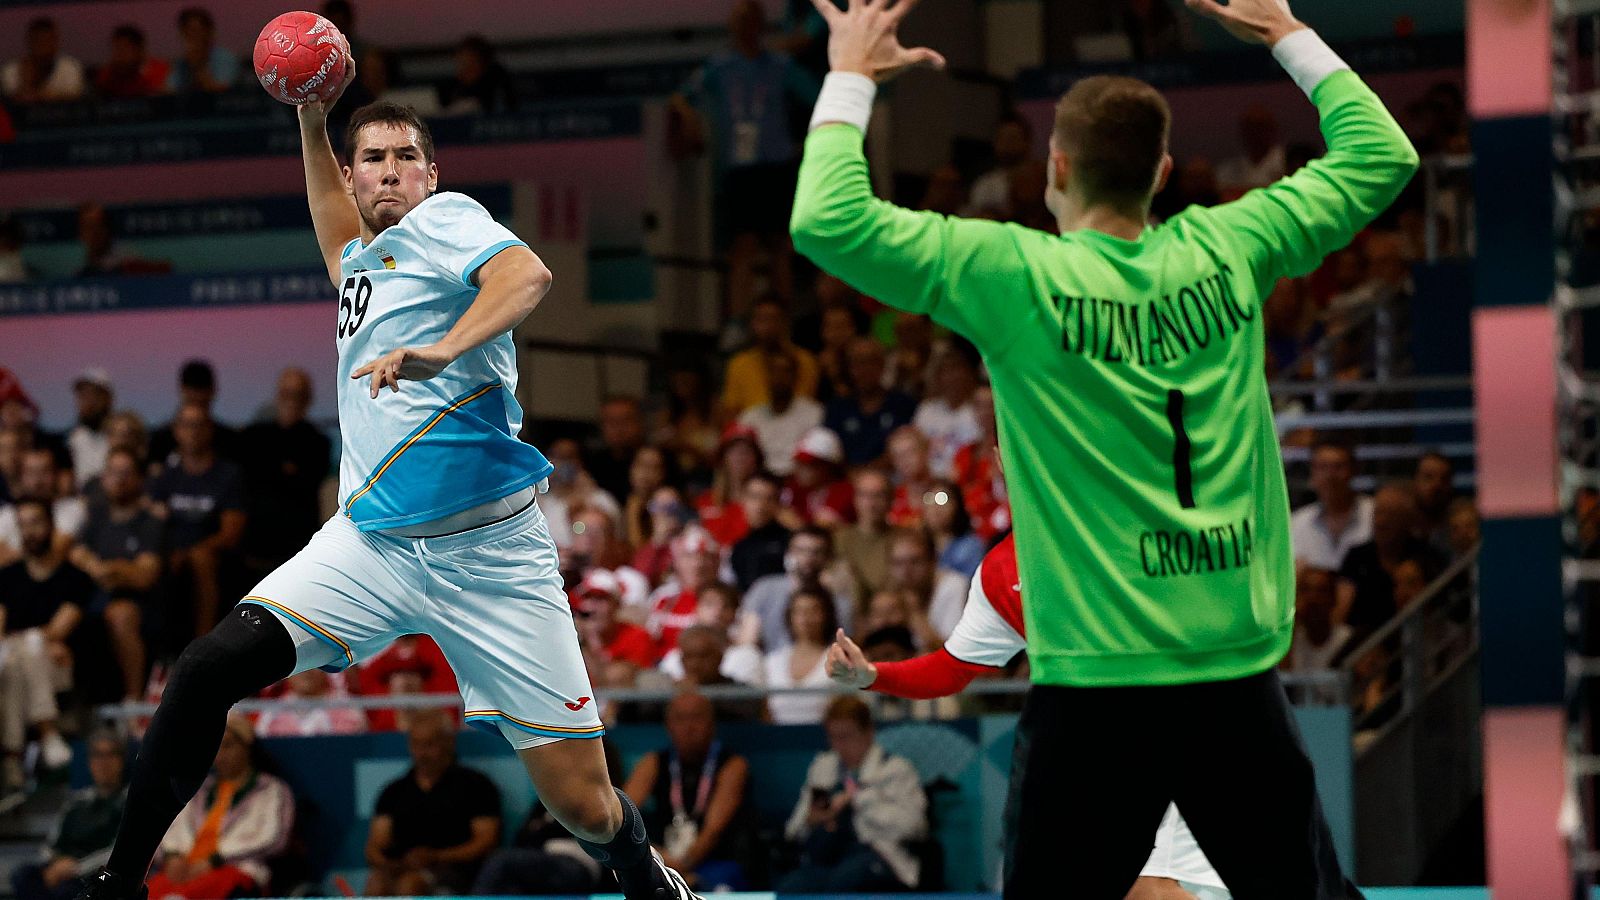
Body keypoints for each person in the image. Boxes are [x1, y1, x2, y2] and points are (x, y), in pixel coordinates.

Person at [791, 0, 1414, 893]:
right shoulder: (1232, 245)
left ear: (1056, 166)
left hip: (1096, 689)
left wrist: (851, 71)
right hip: (1233, 674)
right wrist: (1288, 34)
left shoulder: (1015, 274)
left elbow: (826, 218)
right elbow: (1383, 156)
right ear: (1161, 172)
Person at [75, 81, 699, 900]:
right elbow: (330, 217)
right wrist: (310, 117)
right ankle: (120, 883)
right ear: (353, 175)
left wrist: (444, 350)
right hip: (370, 545)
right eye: (374, 159)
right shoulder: (357, 267)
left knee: (584, 807)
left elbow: (529, 275)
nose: (393, 170)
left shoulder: (446, 222)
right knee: (203, 669)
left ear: (432, 176)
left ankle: (643, 872)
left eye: (409, 157)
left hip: (492, 557)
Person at [827, 533, 1227, 898]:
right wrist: (872, 675)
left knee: (1152, 888)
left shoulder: (1123, 521)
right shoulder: (1006, 569)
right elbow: (952, 667)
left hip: (1172, 723)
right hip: (1083, 749)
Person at [672, 1, 819, 322]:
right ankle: (740, 321)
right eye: (739, 20)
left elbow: (817, 97)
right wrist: (691, 122)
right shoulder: (720, 67)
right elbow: (681, 97)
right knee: (742, 246)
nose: (744, 26)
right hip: (739, 168)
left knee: (780, 245)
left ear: (761, 25)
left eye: (751, 20)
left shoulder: (780, 65)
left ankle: (784, 318)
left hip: (776, 165)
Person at [777, 696, 926, 892]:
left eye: (846, 736)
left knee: (846, 880)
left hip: (880, 856)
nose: (839, 746)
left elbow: (914, 827)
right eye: (833, 737)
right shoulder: (823, 767)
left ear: (869, 732)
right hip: (828, 859)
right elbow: (793, 829)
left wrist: (858, 800)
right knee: (792, 887)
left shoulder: (895, 769)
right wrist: (811, 821)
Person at [144, 714, 293, 900]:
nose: (220, 755)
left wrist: (215, 860)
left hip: (236, 868)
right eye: (216, 747)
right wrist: (172, 855)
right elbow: (172, 826)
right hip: (186, 868)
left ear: (247, 747)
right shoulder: (200, 789)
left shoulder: (271, 789)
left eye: (228, 746)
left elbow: (272, 839)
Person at [624, 692, 755, 891]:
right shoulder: (653, 763)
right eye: (680, 719)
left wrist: (681, 867)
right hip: (662, 859)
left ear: (712, 724)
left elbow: (713, 832)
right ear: (668, 726)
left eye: (696, 717)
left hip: (716, 862)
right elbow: (622, 819)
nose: (689, 727)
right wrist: (657, 858)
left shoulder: (732, 765)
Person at [0, 499, 88, 789]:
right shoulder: (6, 577)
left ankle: (13, 756)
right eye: (22, 525)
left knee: (32, 647)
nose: (30, 532)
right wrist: (29, 640)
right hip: (17, 665)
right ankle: (45, 733)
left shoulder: (74, 578)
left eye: (35, 522)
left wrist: (29, 639)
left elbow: (59, 629)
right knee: (20, 658)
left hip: (59, 668)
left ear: (51, 525)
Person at [364, 714, 500, 895]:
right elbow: (375, 846)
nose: (422, 753)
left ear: (448, 743)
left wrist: (436, 857)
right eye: (416, 745)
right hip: (402, 867)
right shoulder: (394, 791)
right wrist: (392, 864)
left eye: (429, 744)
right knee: (377, 883)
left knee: (410, 884)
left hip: (457, 872)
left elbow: (486, 841)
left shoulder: (476, 786)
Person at [472, 740, 627, 896]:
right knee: (511, 885)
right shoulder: (547, 801)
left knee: (501, 862)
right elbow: (524, 836)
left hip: (578, 862)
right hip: (541, 858)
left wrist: (544, 829)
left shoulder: (599, 800)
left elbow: (594, 829)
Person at [69, 448, 163, 702]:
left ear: (140, 479)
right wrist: (109, 568)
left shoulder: (150, 523)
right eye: (113, 472)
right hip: (94, 601)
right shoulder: (96, 520)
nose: (119, 480)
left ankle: (134, 699)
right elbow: (76, 554)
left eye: (126, 473)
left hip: (141, 606)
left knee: (119, 613)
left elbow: (145, 575)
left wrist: (107, 569)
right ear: (103, 478)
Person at [148, 403, 247, 641]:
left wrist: (193, 551)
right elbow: (152, 522)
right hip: (171, 553)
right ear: (176, 430)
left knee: (200, 558)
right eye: (186, 425)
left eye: (199, 425)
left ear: (210, 429)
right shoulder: (167, 476)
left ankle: (204, 642)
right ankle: (161, 646)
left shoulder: (228, 475)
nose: (193, 431)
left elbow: (231, 533)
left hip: (215, 556)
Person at [11, 731, 128, 900]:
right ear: (89, 762)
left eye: (110, 755)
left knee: (80, 886)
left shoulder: (127, 803)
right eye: (97, 755)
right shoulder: (76, 802)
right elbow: (52, 844)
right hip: (61, 867)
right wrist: (55, 865)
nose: (103, 762)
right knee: (22, 876)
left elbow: (117, 852)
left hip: (97, 873)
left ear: (121, 761)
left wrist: (77, 868)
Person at [239, 368, 331, 575]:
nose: (292, 401)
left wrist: (270, 471)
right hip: (257, 539)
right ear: (278, 396)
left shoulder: (317, 442)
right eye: (286, 394)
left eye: (298, 395)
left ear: (308, 400)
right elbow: (251, 480)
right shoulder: (254, 437)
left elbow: (305, 485)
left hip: (298, 540)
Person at [1335, 483, 1445, 637]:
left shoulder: (1426, 557)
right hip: (1363, 642)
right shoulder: (1357, 556)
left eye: (1391, 515)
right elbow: (1341, 611)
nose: (1381, 521)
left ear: (1408, 519)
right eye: (1378, 513)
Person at [742, 526, 853, 651]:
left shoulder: (840, 603)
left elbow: (841, 649)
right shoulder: (765, 589)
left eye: (817, 552)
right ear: (789, 553)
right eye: (801, 550)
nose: (808, 558)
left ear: (828, 558)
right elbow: (747, 642)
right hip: (768, 661)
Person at [720, 296, 822, 418]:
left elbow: (808, 407)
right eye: (762, 320)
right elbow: (731, 411)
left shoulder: (805, 361)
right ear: (753, 324)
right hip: (751, 427)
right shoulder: (739, 364)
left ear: (785, 323)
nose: (768, 326)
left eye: (774, 319)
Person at [824, 337, 916, 467]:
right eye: (858, 362)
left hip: (892, 475)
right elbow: (830, 449)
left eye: (871, 361)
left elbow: (906, 448)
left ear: (883, 365)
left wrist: (870, 472)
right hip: (845, 476)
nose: (865, 369)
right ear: (849, 368)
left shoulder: (903, 404)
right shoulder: (837, 407)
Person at [1290, 440, 1373, 573]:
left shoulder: (1376, 514)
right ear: (1312, 473)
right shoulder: (1297, 523)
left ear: (1354, 470)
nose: (1330, 475)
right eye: (1322, 467)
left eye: (1338, 467)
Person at [738, 351, 824, 476]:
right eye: (774, 371)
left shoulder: (814, 413)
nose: (779, 377)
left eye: (785, 371)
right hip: (758, 480)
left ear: (796, 377)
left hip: (799, 481)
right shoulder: (749, 417)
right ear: (766, 377)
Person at [644, 527, 723, 654]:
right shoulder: (662, 597)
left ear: (717, 563)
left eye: (706, 557)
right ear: (676, 562)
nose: (697, 564)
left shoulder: (724, 599)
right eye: (689, 557)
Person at [763, 588, 837, 724]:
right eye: (799, 611)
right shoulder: (772, 662)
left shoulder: (839, 661)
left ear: (826, 615)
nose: (805, 618)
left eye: (813, 611)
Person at [912, 339, 983, 479]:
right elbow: (915, 448)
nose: (953, 377)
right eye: (947, 371)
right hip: (930, 480)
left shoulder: (978, 410)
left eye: (958, 370)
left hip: (968, 479)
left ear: (969, 374)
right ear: (938, 377)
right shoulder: (926, 410)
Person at [147, 360, 239, 469]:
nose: (194, 433)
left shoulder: (231, 442)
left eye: (201, 403)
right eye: (192, 400)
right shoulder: (160, 441)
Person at [885, 529, 969, 642]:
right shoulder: (892, 592)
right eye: (898, 563)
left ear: (933, 560)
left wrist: (915, 613)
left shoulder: (954, 586)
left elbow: (952, 649)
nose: (906, 571)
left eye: (915, 562)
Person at [833, 468, 899, 601]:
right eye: (864, 495)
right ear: (855, 499)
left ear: (891, 500)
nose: (871, 503)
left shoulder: (903, 539)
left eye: (878, 495)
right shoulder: (839, 539)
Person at [576, 569, 659, 671]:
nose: (592, 608)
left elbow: (614, 679)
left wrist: (592, 642)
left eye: (600, 599)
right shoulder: (572, 637)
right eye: (587, 598)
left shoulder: (636, 637)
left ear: (616, 605)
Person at [694, 426, 761, 547]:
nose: (740, 456)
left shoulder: (766, 503)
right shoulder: (705, 500)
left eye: (747, 451)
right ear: (723, 458)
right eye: (733, 450)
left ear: (757, 460)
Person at [254, 668, 367, 737]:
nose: (306, 672)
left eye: (313, 665)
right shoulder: (271, 714)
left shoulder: (348, 707)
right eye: (300, 666)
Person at [728, 472, 792, 592]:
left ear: (778, 503)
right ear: (743, 499)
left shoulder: (790, 542)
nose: (760, 506)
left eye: (769, 499)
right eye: (754, 497)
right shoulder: (738, 545)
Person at [781, 426, 853, 528]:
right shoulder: (795, 488)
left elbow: (822, 527)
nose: (801, 469)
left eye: (809, 465)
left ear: (829, 467)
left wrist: (794, 523)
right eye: (800, 463)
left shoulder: (845, 491)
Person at [2, 18, 86, 104]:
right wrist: (26, 80)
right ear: (29, 41)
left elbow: (74, 97)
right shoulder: (10, 70)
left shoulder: (70, 68)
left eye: (47, 40)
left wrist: (41, 96)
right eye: (38, 40)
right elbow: (13, 101)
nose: (43, 45)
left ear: (56, 42)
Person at [1216, 105, 1286, 198]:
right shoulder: (1229, 170)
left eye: (1259, 127)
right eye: (1249, 128)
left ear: (1272, 129)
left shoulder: (1286, 162)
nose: (1254, 133)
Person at [589, 396, 647, 506]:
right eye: (611, 421)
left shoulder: (656, 460)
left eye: (626, 420)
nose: (619, 428)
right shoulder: (592, 463)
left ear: (640, 422)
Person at [437, 35, 515, 115]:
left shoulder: (496, 85)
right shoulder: (454, 88)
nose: (462, 70)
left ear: (482, 64)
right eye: (460, 64)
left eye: (468, 64)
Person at [166, 8, 239, 94]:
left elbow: (220, 91)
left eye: (196, 31)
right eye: (186, 32)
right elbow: (169, 90)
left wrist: (197, 65)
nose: (192, 36)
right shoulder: (182, 63)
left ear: (209, 32)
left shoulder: (225, 58)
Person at [923, 478, 984, 577]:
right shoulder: (918, 546)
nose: (935, 508)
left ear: (957, 505)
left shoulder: (970, 546)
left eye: (942, 499)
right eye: (929, 499)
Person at [632, 487, 690, 586]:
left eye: (671, 507)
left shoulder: (692, 541)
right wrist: (657, 542)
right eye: (658, 507)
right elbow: (639, 581)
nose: (666, 513)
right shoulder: (646, 548)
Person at [68, 370, 115, 490]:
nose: (87, 403)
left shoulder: (120, 435)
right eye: (82, 396)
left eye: (93, 395)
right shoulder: (71, 439)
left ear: (107, 398)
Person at [94, 26, 169, 99]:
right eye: (116, 49)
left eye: (124, 49)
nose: (119, 55)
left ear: (139, 50)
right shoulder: (108, 75)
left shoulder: (162, 71)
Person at [622, 446, 673, 550]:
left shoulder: (667, 502)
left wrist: (633, 515)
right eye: (641, 465)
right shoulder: (621, 500)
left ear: (663, 474)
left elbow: (643, 553)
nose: (645, 472)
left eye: (654, 467)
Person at [884, 426, 934, 528]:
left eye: (910, 452)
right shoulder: (891, 500)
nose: (904, 460)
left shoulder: (946, 492)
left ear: (925, 451)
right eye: (898, 456)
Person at [1411, 451, 1454, 553]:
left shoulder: (1457, 534)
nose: (1437, 485)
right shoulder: (1400, 532)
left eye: (1444, 479)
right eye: (1428, 477)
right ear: (1415, 481)